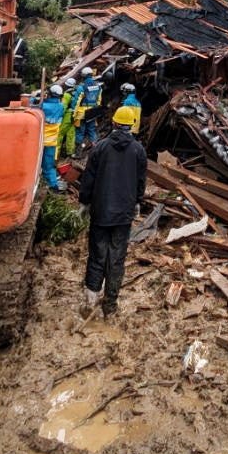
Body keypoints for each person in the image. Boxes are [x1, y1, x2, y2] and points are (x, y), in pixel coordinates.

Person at [78, 106, 147, 319]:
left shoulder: (100, 147)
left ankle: (90, 300)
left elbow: (88, 178)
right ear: (132, 125)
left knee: (97, 255)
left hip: (101, 212)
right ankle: (110, 305)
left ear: (115, 123)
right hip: (123, 215)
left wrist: (84, 203)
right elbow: (140, 181)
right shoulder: (138, 150)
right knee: (117, 258)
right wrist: (137, 202)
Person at [41, 84, 67, 193]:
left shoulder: (43, 106)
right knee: (49, 164)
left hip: (39, 140)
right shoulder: (61, 107)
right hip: (52, 141)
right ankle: (52, 184)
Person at [73, 67, 102, 149]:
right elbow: (99, 100)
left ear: (83, 75)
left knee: (80, 132)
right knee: (92, 130)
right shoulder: (98, 86)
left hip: (81, 113)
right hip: (92, 112)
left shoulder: (81, 87)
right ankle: (96, 149)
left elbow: (76, 102)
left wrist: (74, 114)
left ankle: (79, 152)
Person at [56, 76, 77, 159]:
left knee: (60, 134)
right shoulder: (77, 93)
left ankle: (56, 154)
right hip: (74, 115)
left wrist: (58, 116)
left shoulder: (67, 95)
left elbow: (63, 107)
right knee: (71, 134)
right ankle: (70, 152)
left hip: (67, 116)